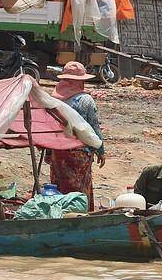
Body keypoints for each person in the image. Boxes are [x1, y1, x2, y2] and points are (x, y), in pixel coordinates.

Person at [45, 61, 106, 211]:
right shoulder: (85, 100)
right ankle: (79, 215)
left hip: (57, 151)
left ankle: (60, 214)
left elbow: (49, 127)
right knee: (79, 188)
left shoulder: (53, 99)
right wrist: (101, 150)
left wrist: (47, 151)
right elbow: (94, 127)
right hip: (79, 153)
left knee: (59, 186)